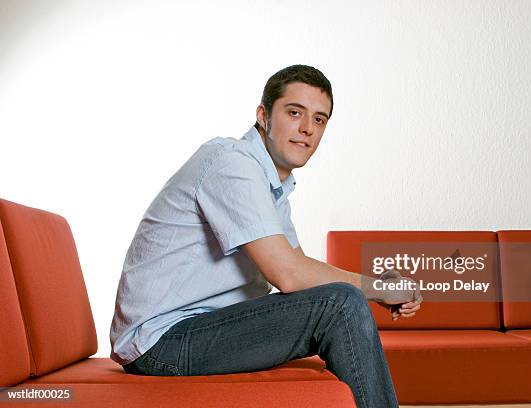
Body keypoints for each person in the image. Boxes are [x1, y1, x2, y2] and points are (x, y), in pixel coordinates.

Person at [110, 64, 421, 408]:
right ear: (263, 115)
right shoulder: (232, 164)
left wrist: (381, 287)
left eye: (319, 120)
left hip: (197, 331)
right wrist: (379, 288)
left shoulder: (272, 187)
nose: (306, 129)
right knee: (341, 304)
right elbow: (288, 275)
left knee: (339, 301)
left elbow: (300, 271)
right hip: (162, 342)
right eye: (294, 112)